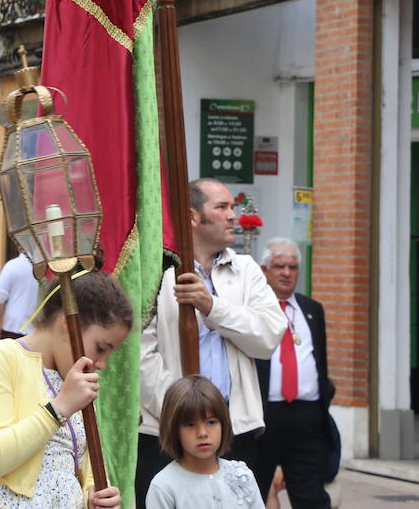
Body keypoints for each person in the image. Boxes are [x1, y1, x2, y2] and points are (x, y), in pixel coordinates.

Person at [137, 179, 285, 506]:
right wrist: (182, 414)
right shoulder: (156, 272)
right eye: (221, 207)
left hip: (234, 429)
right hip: (166, 432)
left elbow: (268, 335)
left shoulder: (245, 271)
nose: (233, 215)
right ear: (192, 217)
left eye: (232, 207)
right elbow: (140, 353)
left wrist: (212, 306)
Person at [0, 269, 131, 508]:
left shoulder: (75, 381)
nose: (102, 364)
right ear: (68, 324)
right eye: (101, 348)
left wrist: (91, 497)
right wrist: (58, 409)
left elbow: (80, 467)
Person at [251, 239, 336, 508]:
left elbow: (319, 362)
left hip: (307, 417)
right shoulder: (253, 309)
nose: (287, 272)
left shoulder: (312, 309)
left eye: (292, 266)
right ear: (265, 270)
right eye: (279, 266)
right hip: (266, 415)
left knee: (311, 495)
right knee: (254, 489)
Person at [145, 375, 264, 508]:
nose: (202, 433)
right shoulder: (164, 487)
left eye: (211, 422)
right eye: (190, 425)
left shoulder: (242, 476)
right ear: (174, 429)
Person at [0, 253, 37, 341]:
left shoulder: (11, 266)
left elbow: (0, 299)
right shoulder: (42, 269)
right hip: (34, 330)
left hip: (11, 327)